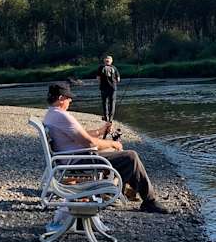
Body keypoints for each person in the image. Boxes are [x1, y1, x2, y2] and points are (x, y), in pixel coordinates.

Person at [43, 82, 170, 214]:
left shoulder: (51, 114)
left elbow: (80, 135)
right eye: (68, 97)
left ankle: (115, 191)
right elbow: (89, 142)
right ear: (61, 98)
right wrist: (112, 143)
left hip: (71, 157)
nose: (70, 100)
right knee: (130, 156)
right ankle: (148, 201)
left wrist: (101, 131)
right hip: (78, 160)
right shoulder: (62, 116)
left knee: (118, 154)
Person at [96, 55, 120, 125]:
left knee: (104, 103)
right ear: (111, 61)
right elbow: (118, 79)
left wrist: (101, 83)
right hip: (113, 88)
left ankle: (106, 117)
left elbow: (98, 78)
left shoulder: (101, 67)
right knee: (112, 103)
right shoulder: (114, 68)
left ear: (104, 61)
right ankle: (111, 118)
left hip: (103, 88)